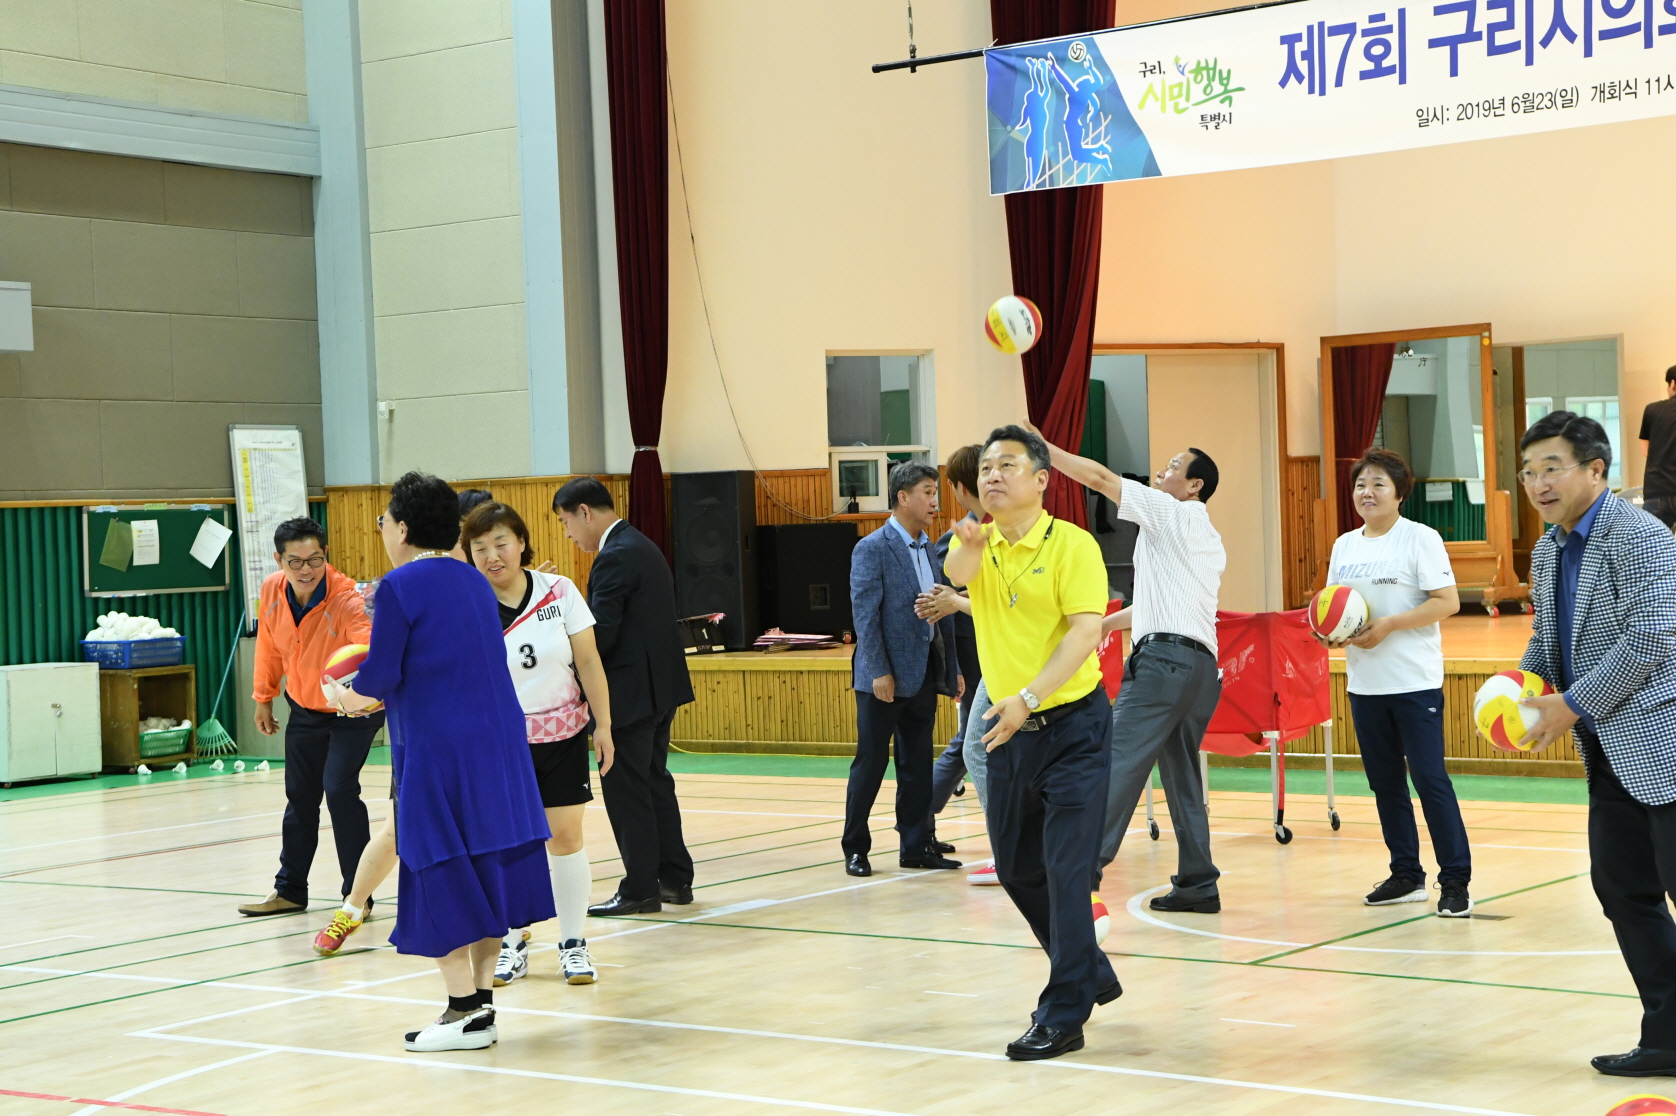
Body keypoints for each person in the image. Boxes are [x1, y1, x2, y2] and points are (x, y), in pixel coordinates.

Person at [332, 471, 554, 1051]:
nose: (382, 529)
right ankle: (480, 1009)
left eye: (384, 520)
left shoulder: (400, 585)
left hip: (437, 748)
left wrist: (344, 698)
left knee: (438, 867)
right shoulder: (475, 581)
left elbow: (380, 675)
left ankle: (459, 1010)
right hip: (497, 743)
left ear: (402, 528)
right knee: (484, 866)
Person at [945, 425, 1117, 1062]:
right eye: (986, 467)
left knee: (1068, 872)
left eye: (1007, 465)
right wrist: (967, 541)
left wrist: (1029, 698)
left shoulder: (1072, 546)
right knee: (1018, 869)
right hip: (1009, 732)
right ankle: (1089, 970)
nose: (993, 475)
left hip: (1072, 727)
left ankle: (1063, 1012)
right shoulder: (978, 544)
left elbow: (1084, 635)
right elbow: (956, 573)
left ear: (1042, 480)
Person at [1512, 411, 1676, 1079]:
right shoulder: (1549, 548)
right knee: (1622, 887)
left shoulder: (1642, 537)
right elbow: (1546, 643)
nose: (1538, 483)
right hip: (1605, 749)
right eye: (1527, 472)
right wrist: (1517, 690)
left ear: (1597, 470)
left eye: (1552, 467)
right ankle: (1668, 1037)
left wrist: (1568, 706)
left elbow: (1651, 641)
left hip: (1662, 741)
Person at [1043, 438, 1227, 914]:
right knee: (1183, 777)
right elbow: (1162, 606)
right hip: (1202, 672)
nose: (1160, 472)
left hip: (1163, 668)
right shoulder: (1207, 536)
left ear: (1194, 485)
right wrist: (1103, 624)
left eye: (1171, 467)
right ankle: (1198, 883)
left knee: (1114, 763)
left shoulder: (1171, 510)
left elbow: (1100, 480)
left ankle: (1078, 874)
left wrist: (1044, 449)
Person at [461, 501, 615, 987]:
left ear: (522, 543)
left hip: (563, 734)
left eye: (501, 543)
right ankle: (511, 940)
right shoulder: (468, 605)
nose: (492, 556)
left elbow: (589, 661)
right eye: (479, 548)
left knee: (565, 838)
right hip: (498, 741)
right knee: (508, 844)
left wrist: (604, 725)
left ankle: (573, 943)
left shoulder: (560, 591)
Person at [1325, 448, 1471, 915]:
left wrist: (1389, 625)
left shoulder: (1419, 538)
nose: (1366, 493)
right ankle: (1406, 874)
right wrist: (1328, 630)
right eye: (1360, 485)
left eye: (1378, 485)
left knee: (1430, 781)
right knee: (1385, 784)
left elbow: (1447, 601)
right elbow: (1334, 604)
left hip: (1413, 682)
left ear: (1400, 493)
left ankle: (1455, 881)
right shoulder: (1344, 546)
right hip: (1364, 685)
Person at [552, 478, 697, 916]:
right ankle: (673, 878)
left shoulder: (613, 556)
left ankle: (639, 889)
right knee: (653, 783)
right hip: (658, 688)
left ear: (584, 512)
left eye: (566, 523)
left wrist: (556, 631)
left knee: (627, 790)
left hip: (630, 696)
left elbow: (604, 636)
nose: (568, 534)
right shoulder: (640, 544)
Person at [238, 517, 384, 917]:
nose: (306, 570)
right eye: (295, 561)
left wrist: (358, 695)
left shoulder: (352, 597)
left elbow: (370, 648)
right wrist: (263, 696)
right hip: (303, 707)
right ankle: (289, 891)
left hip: (352, 711)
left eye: (315, 560)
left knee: (338, 790)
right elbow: (268, 645)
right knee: (300, 798)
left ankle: (358, 896)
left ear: (326, 555)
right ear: (279, 560)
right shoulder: (271, 590)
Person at [843, 461, 962, 877]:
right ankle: (855, 847)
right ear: (902, 497)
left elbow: (943, 608)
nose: (935, 500)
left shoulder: (929, 546)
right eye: (928, 492)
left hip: (925, 670)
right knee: (871, 763)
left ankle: (915, 845)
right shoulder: (871, 547)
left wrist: (953, 667)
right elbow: (865, 616)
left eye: (936, 491)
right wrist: (879, 670)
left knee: (917, 765)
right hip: (883, 676)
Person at [919, 445, 983, 848]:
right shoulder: (955, 538)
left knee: (975, 741)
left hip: (1004, 650)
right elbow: (947, 604)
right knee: (971, 741)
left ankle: (921, 814)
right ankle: (921, 814)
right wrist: (956, 666)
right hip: (976, 653)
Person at [1638, 366, 1676, 529]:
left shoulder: (1652, 410)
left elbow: (1646, 450)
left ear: (1672, 384)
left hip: (1657, 491)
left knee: (1652, 550)